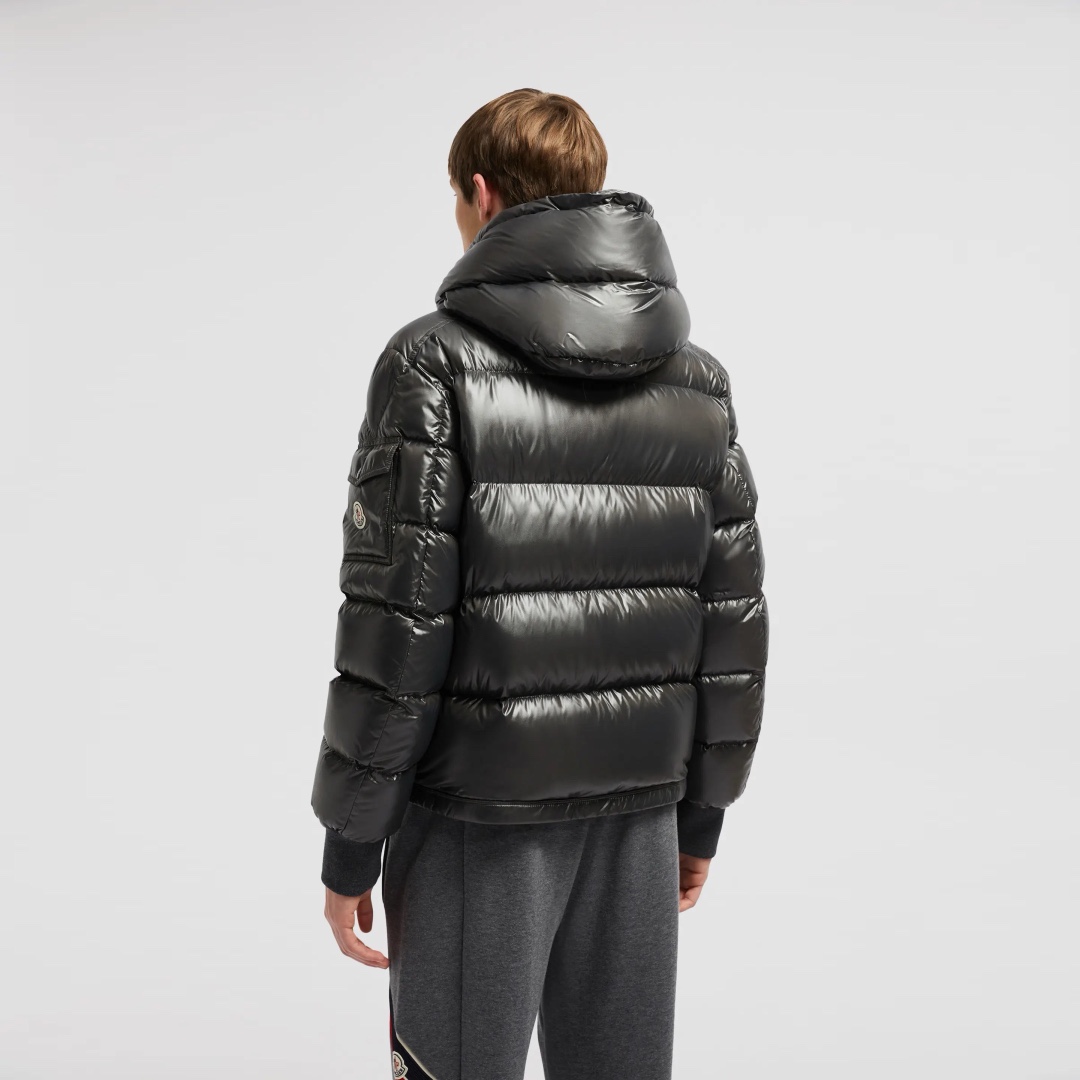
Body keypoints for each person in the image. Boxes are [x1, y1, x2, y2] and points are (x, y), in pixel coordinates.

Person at [310, 87, 769, 1080]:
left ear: (480, 193)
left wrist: (352, 838)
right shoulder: (698, 381)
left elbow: (396, 622)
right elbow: (732, 620)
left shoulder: (433, 362)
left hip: (477, 817)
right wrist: (703, 813)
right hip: (643, 811)